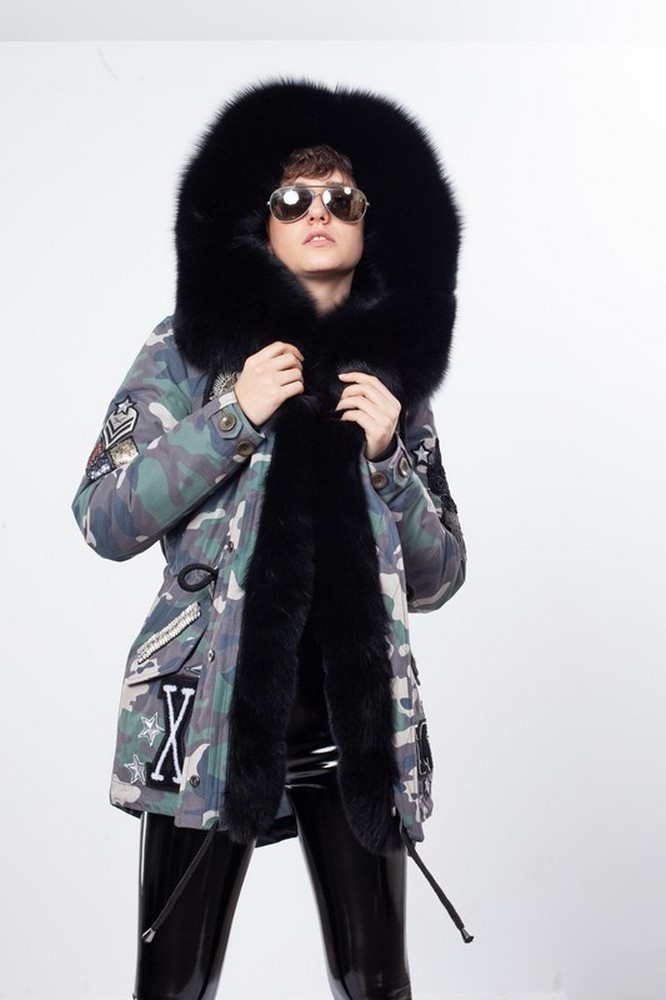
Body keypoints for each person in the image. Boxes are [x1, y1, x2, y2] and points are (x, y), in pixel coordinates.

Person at [72, 81, 469, 1000]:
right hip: (208, 719)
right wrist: (233, 417)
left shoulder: (392, 382)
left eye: (341, 199)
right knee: (174, 982)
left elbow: (441, 575)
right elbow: (103, 516)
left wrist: (388, 461)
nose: (317, 213)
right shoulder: (188, 351)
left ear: (372, 222)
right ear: (262, 220)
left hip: (355, 734)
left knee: (376, 980)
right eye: (293, 199)